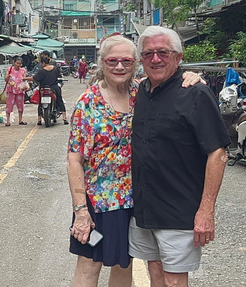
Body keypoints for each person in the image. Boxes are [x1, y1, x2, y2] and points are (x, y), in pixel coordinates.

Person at [67, 35, 203, 287]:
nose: (119, 67)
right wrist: (80, 210)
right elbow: (74, 159)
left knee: (123, 263)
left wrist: (193, 76)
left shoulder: (141, 93)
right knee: (90, 263)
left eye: (126, 61)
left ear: (136, 63)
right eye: (112, 61)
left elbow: (174, 85)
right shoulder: (88, 102)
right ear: (102, 63)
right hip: (98, 201)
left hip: (136, 199)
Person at [130, 26, 229, 287]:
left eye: (163, 52)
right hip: (145, 205)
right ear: (141, 59)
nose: (155, 59)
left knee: (174, 281)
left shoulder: (194, 92)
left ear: (178, 57)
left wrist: (206, 211)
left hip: (179, 208)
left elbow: (218, 154)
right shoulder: (140, 91)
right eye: (148, 53)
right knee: (155, 272)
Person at [30, 55, 67, 125]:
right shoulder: (55, 69)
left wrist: (25, 78)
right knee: (59, 100)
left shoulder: (41, 71)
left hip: (43, 88)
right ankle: (64, 118)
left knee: (40, 102)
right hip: (54, 88)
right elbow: (59, 76)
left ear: (43, 63)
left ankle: (39, 119)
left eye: (41, 63)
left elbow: (34, 78)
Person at [4, 57, 28, 126]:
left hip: (20, 90)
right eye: (17, 63)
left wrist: (25, 86)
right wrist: (9, 76)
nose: (18, 65)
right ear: (14, 63)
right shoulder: (9, 69)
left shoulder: (23, 70)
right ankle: (8, 121)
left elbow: (24, 79)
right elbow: (5, 79)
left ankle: (20, 120)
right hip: (11, 90)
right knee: (9, 105)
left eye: (20, 64)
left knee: (20, 105)